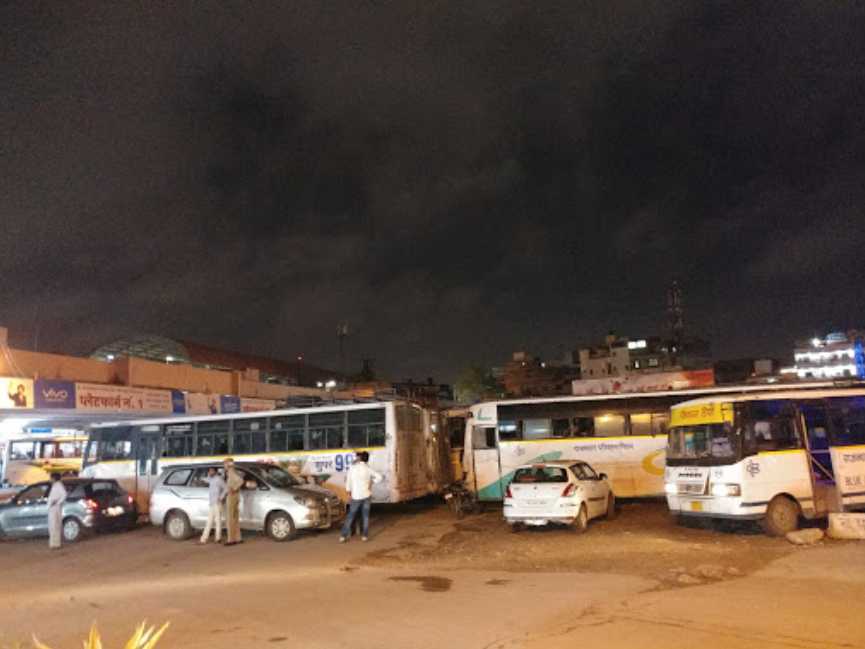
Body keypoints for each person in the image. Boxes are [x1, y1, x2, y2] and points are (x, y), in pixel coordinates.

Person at [339, 451, 382, 543]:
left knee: (350, 516)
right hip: (366, 495)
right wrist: (372, 482)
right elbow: (379, 477)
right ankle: (364, 536)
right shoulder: (368, 469)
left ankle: (343, 536)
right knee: (365, 516)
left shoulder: (352, 468)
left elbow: (348, 481)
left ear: (360, 458)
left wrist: (348, 491)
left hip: (356, 496)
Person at [200, 467, 227, 544]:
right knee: (211, 521)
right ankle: (206, 539)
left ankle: (215, 538)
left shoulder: (219, 479)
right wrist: (204, 477)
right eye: (209, 471)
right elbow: (205, 479)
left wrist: (221, 497)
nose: (210, 472)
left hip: (217, 503)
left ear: (215, 471)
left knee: (217, 521)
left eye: (211, 471)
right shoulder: (211, 479)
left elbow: (226, 488)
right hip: (212, 503)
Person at [223, 458, 244, 546]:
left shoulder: (231, 472)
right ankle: (238, 538)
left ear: (228, 464)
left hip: (232, 497)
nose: (224, 466)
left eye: (224, 464)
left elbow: (241, 481)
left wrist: (233, 489)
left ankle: (231, 539)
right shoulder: (233, 471)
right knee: (235, 518)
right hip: (236, 496)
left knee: (230, 518)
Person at [47, 473, 67, 550]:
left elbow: (64, 495)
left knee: (54, 525)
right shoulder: (55, 486)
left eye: (51, 478)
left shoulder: (59, 486)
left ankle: (55, 544)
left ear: (54, 478)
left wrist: (57, 502)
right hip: (53, 508)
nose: (50, 480)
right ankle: (54, 543)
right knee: (53, 526)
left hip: (55, 508)